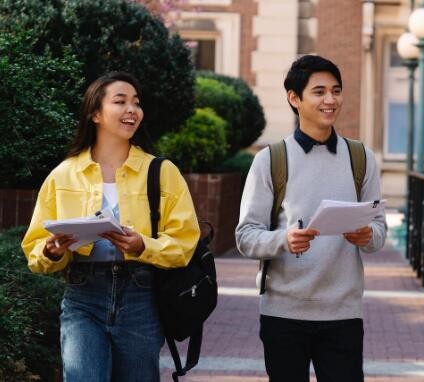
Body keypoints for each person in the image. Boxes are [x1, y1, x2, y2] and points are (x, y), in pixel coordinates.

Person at [21, 72, 200, 381]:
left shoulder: (161, 172)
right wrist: (51, 251)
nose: (132, 110)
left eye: (137, 103)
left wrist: (144, 246)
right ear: (95, 113)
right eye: (120, 102)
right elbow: (35, 248)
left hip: (141, 297)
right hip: (82, 295)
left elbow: (185, 243)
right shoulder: (64, 175)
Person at [235, 55, 386, 381]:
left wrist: (366, 235)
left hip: (343, 313)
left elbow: (378, 230)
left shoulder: (361, 158)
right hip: (283, 313)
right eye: (319, 92)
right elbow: (246, 235)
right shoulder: (270, 160)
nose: (330, 100)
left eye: (336, 91)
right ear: (294, 98)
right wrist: (283, 240)